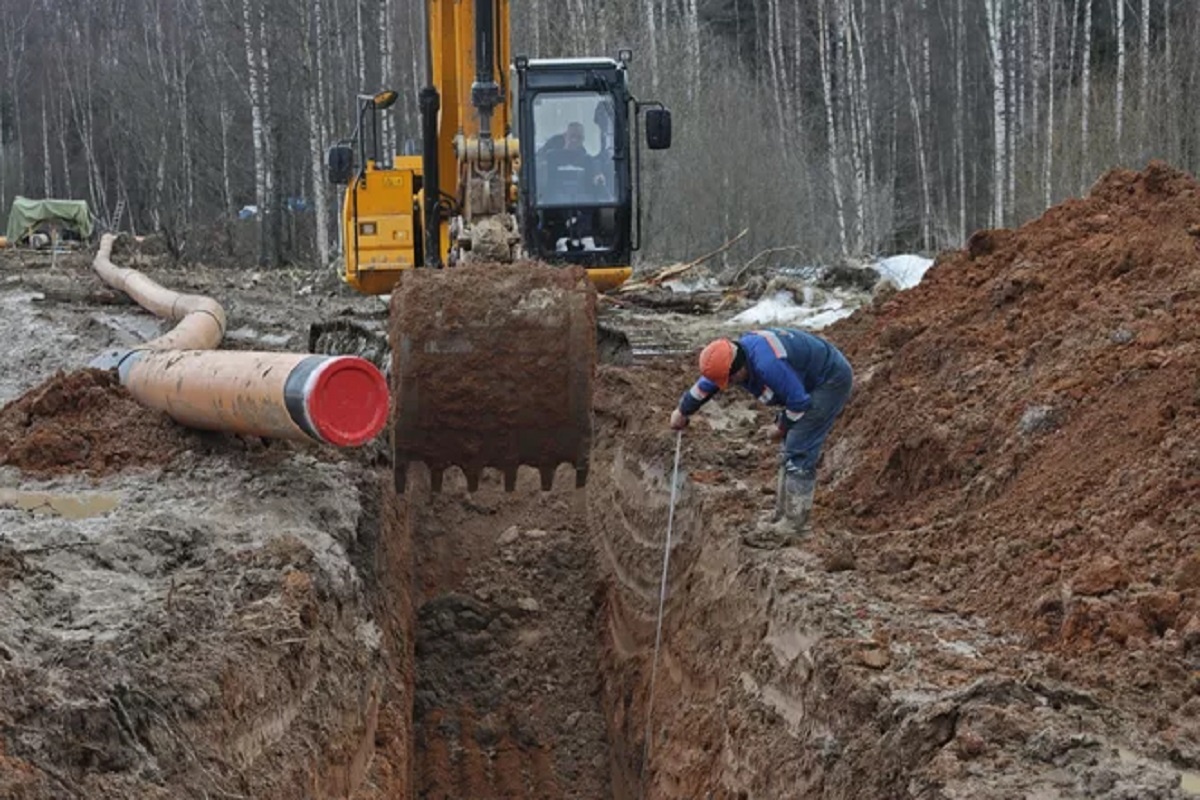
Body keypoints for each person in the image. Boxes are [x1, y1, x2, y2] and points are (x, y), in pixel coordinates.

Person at [670, 328, 854, 548]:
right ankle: (782, 515)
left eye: (731, 380)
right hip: (807, 379)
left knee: (798, 446)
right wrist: (683, 411)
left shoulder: (768, 365)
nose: (729, 386)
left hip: (830, 380)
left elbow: (799, 403)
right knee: (791, 445)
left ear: (738, 370)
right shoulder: (731, 358)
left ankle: (795, 525)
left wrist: (780, 427)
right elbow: (706, 386)